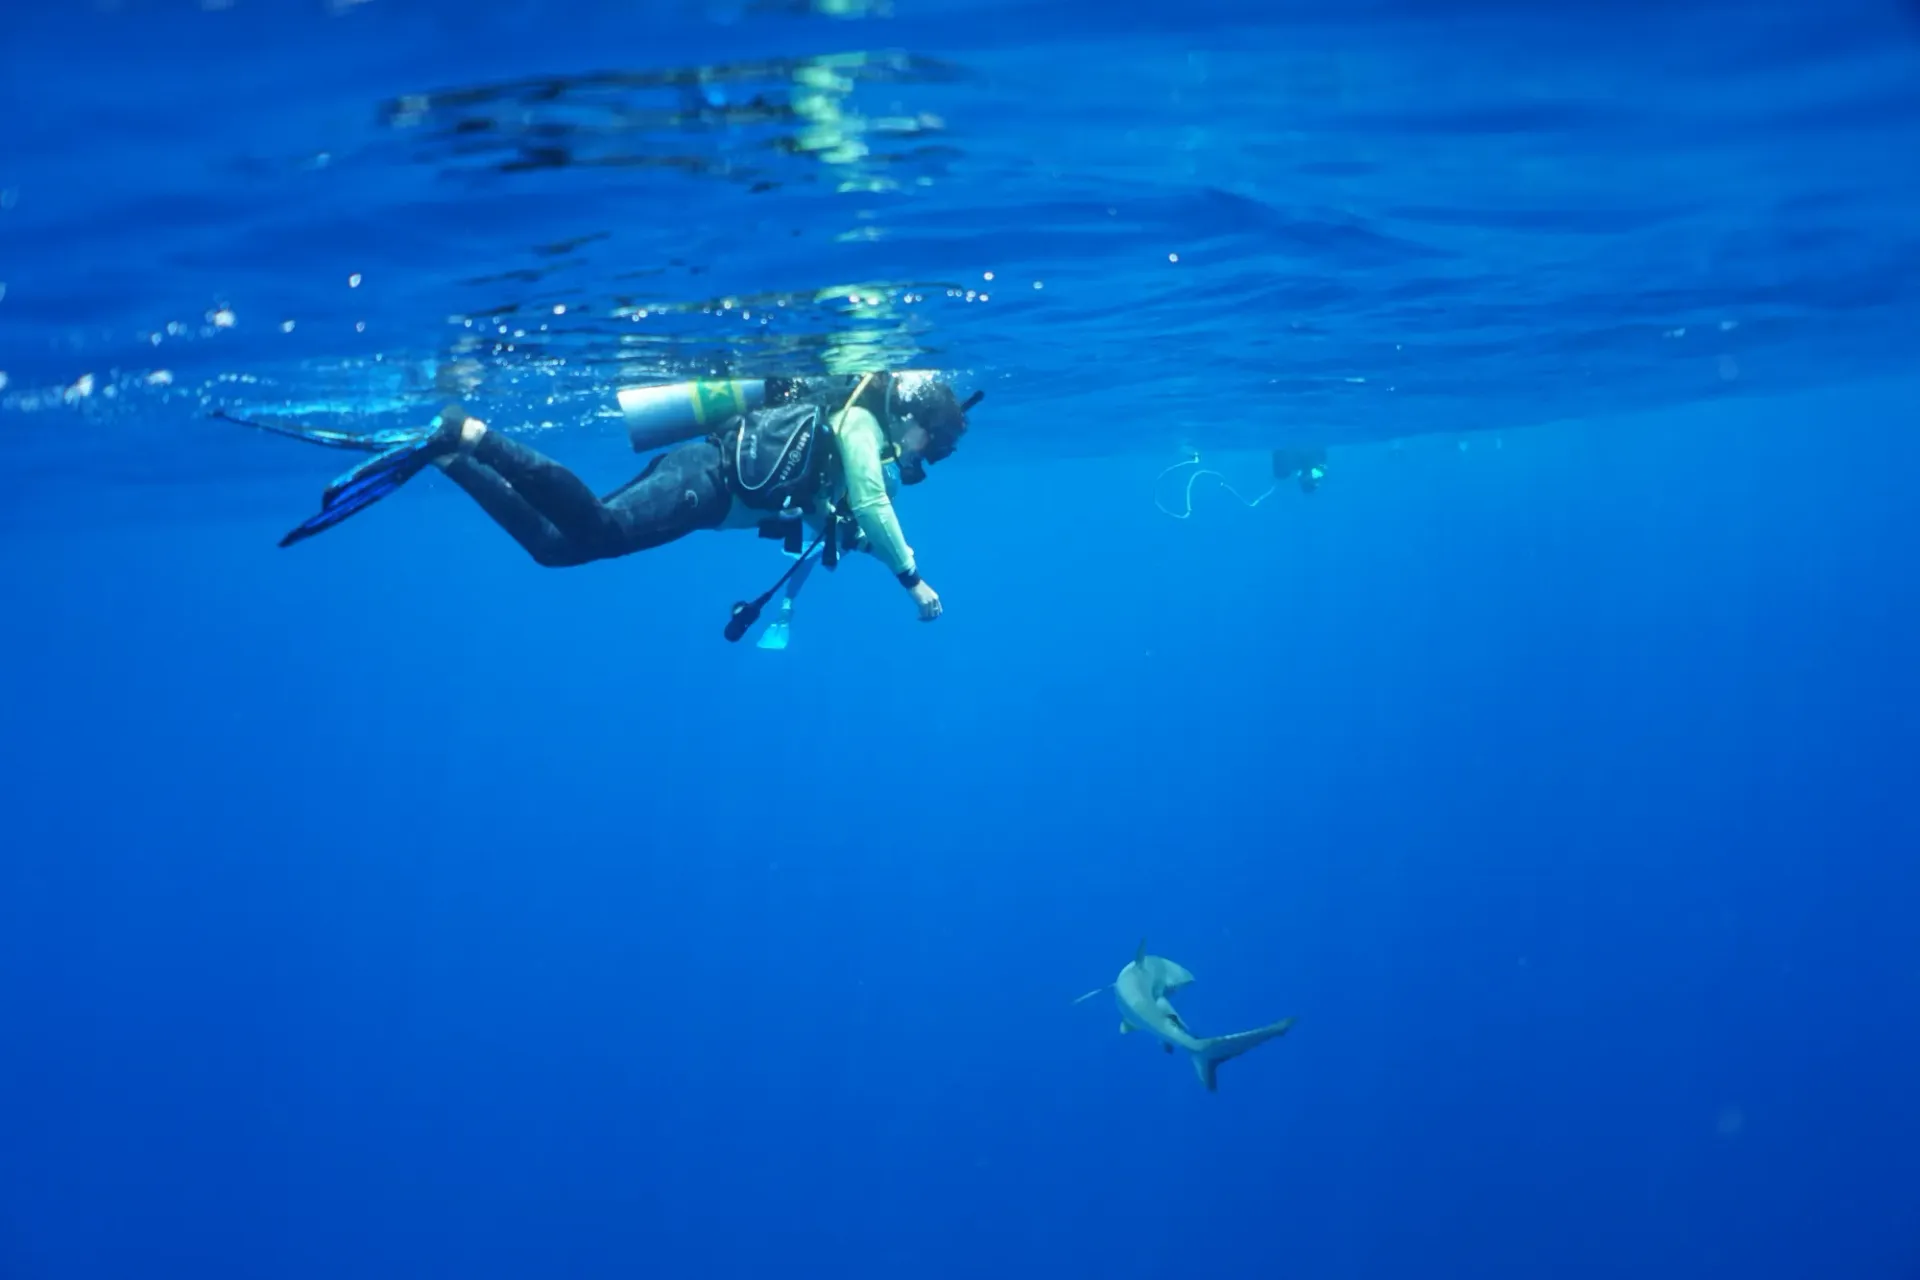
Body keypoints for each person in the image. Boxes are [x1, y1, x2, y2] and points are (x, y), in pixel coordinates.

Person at [243, 371, 976, 627]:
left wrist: (828, 526)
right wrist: (913, 581)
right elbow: (878, 506)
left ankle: (449, 457)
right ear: (916, 422)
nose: (926, 460)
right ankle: (473, 435)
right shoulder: (858, 422)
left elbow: (827, 502)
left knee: (557, 548)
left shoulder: (851, 425)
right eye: (932, 446)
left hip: (703, 479)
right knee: (598, 529)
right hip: (704, 486)